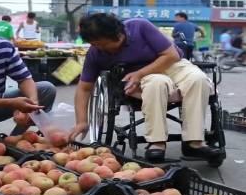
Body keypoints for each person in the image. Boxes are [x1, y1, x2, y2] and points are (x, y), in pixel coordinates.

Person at [70, 13, 221, 161]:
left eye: (103, 44)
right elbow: (84, 88)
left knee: (198, 79)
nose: (100, 48)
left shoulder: (139, 26)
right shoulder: (96, 53)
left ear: (118, 33)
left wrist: (140, 74)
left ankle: (194, 143)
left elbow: (171, 55)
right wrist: (82, 121)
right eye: (95, 44)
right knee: (157, 83)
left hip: (170, 64)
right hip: (143, 76)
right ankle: (156, 143)